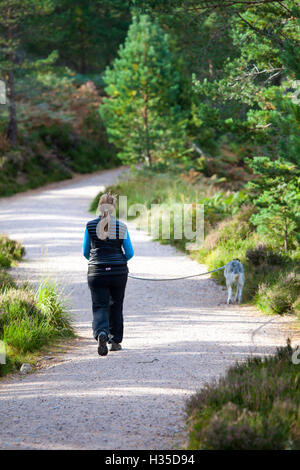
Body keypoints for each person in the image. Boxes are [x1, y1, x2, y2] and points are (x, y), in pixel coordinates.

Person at [82, 193, 134, 356]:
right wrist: (119, 262)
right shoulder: (121, 226)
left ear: (99, 207)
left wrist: (98, 261)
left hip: (96, 271)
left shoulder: (90, 226)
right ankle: (116, 341)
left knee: (99, 305)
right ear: (114, 208)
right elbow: (130, 252)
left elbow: (85, 252)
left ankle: (101, 333)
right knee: (116, 305)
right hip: (118, 271)